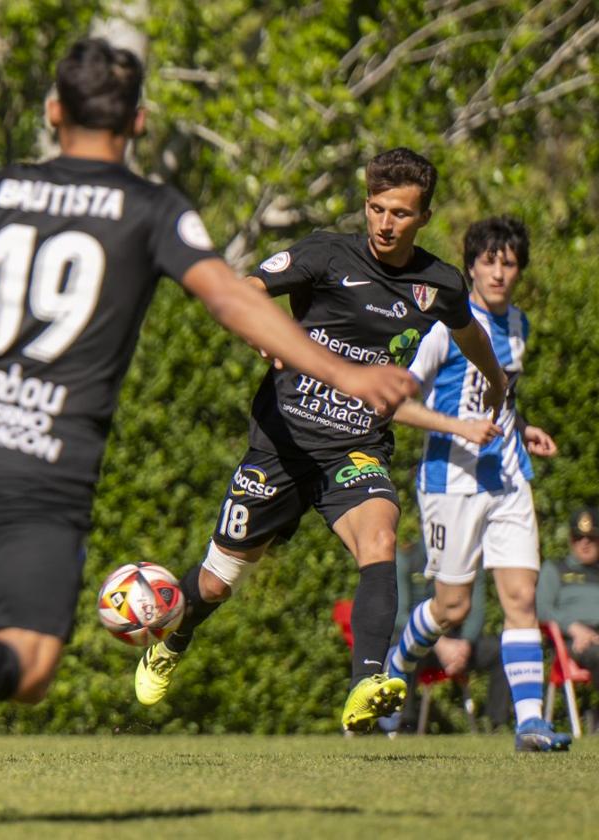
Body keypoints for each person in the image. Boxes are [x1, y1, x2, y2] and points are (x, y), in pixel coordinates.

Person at [0, 38, 417, 820]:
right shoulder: (152, 208)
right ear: (141, 121)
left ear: (53, 113)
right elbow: (231, 298)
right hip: (44, 455)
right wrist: (348, 373)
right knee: (27, 664)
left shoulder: (0, 188)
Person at [131, 148, 507, 736]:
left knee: (380, 538)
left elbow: (470, 332)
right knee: (213, 583)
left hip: (355, 449)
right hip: (280, 447)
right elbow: (245, 287)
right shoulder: (327, 253)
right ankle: (173, 640)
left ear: (424, 216)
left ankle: (365, 683)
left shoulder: (438, 283)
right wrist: (263, 330)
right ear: (367, 204)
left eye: (401, 214)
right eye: (378, 209)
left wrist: (497, 376)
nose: (386, 224)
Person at [385, 216, 570, 751]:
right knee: (452, 608)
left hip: (508, 477)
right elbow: (396, 403)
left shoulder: (520, 326)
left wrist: (523, 426)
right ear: (470, 267)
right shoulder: (445, 327)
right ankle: (398, 666)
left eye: (508, 263)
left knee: (521, 598)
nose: (498, 272)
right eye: (489, 261)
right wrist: (459, 426)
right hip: (451, 482)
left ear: (519, 271)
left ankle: (530, 723)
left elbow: (501, 394)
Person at [383, 539, 509, 733]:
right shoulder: (406, 558)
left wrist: (465, 643)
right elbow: (399, 614)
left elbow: (476, 610)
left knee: (501, 651)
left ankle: (497, 725)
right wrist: (438, 643)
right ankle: (405, 724)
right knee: (405, 648)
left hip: (457, 641)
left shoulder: (469, 560)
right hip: (422, 638)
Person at [537, 507, 599, 688]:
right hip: (572, 641)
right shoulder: (556, 569)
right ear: (571, 541)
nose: (584, 543)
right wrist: (573, 627)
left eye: (591, 538)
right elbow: (542, 609)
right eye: (579, 538)